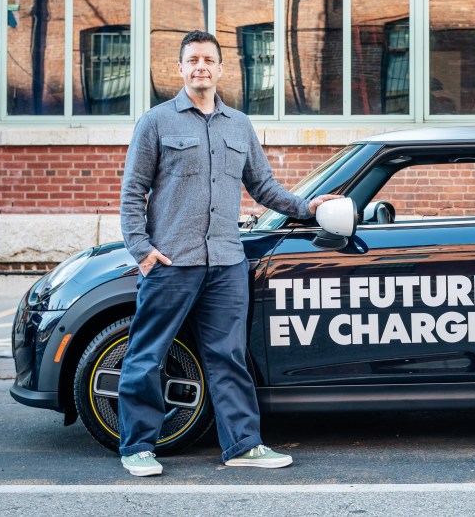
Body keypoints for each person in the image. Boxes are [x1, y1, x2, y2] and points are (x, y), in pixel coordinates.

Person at [118, 30, 339, 477]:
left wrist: (306, 207)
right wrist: (142, 250)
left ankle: (243, 444)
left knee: (228, 356)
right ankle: (137, 447)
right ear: (180, 69)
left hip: (225, 262)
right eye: (192, 60)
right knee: (147, 354)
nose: (200, 67)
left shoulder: (238, 125)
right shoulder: (156, 122)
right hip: (171, 262)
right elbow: (132, 192)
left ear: (221, 69)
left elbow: (262, 186)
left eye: (208, 60)